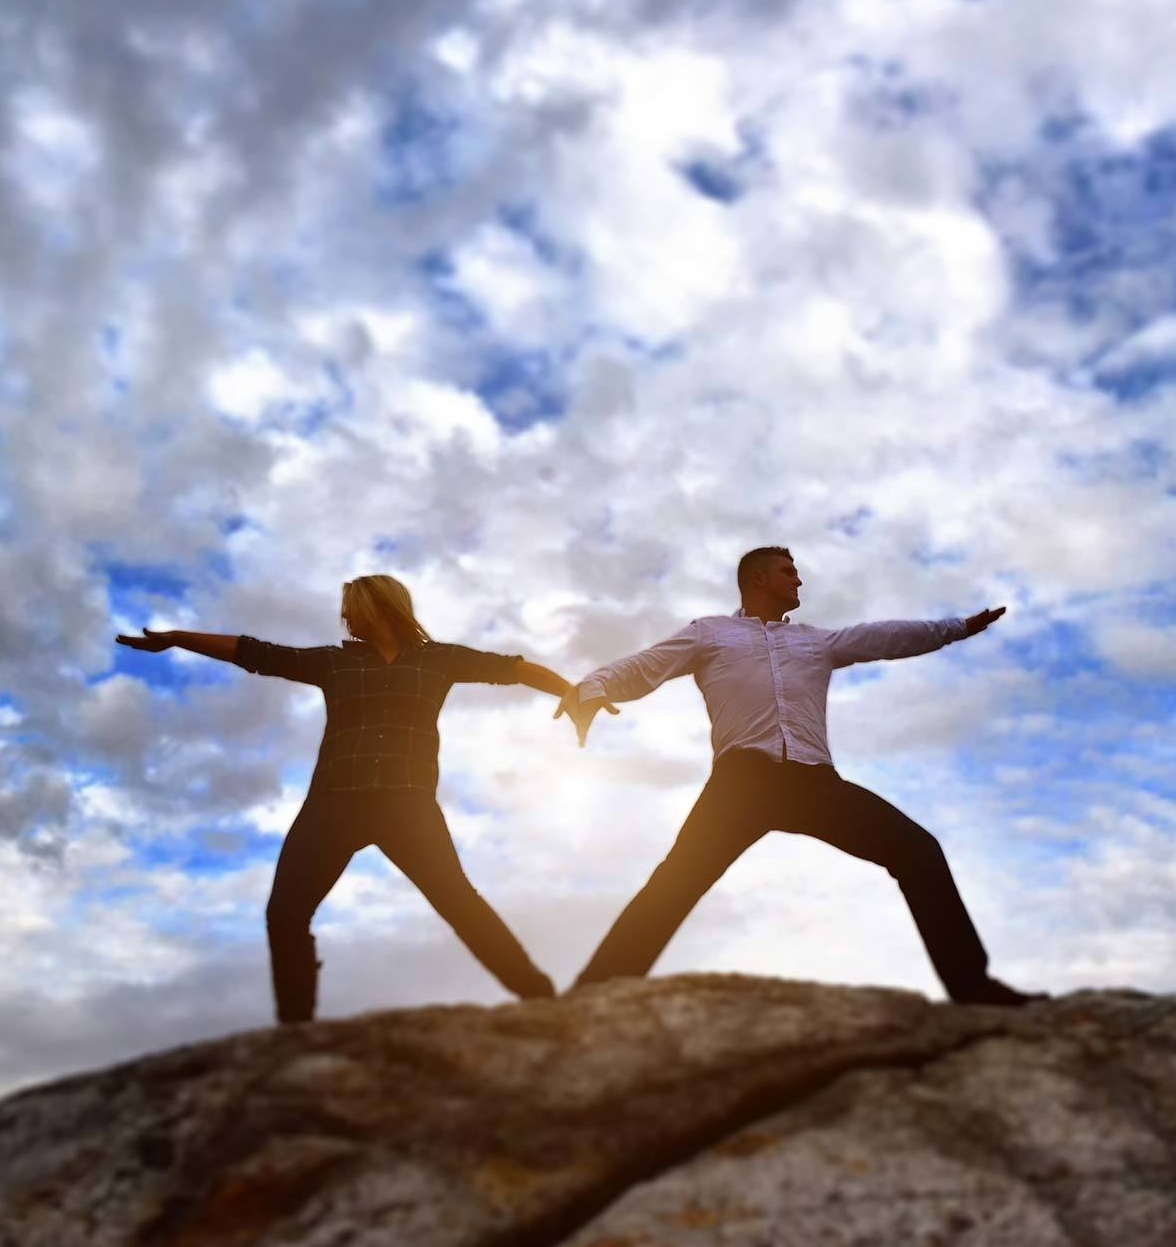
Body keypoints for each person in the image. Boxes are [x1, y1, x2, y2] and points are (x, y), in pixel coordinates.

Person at [556, 546, 1043, 1006]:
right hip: (742, 783)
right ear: (758, 579)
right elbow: (649, 665)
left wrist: (956, 627)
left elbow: (883, 637)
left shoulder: (815, 641)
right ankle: (593, 992)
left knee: (919, 851)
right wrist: (591, 689)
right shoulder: (709, 632)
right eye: (789, 572)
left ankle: (972, 986)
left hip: (814, 783)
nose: (799, 579)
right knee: (676, 881)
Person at [118, 573, 588, 1023]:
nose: (345, 618)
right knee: (284, 914)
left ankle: (538, 995)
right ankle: (296, 1028)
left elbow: (514, 669)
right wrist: (178, 637)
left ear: (379, 608)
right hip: (333, 804)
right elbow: (254, 652)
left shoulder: (440, 659)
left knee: (459, 902)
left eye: (352, 609)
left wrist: (571, 692)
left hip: (408, 806)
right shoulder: (334, 661)